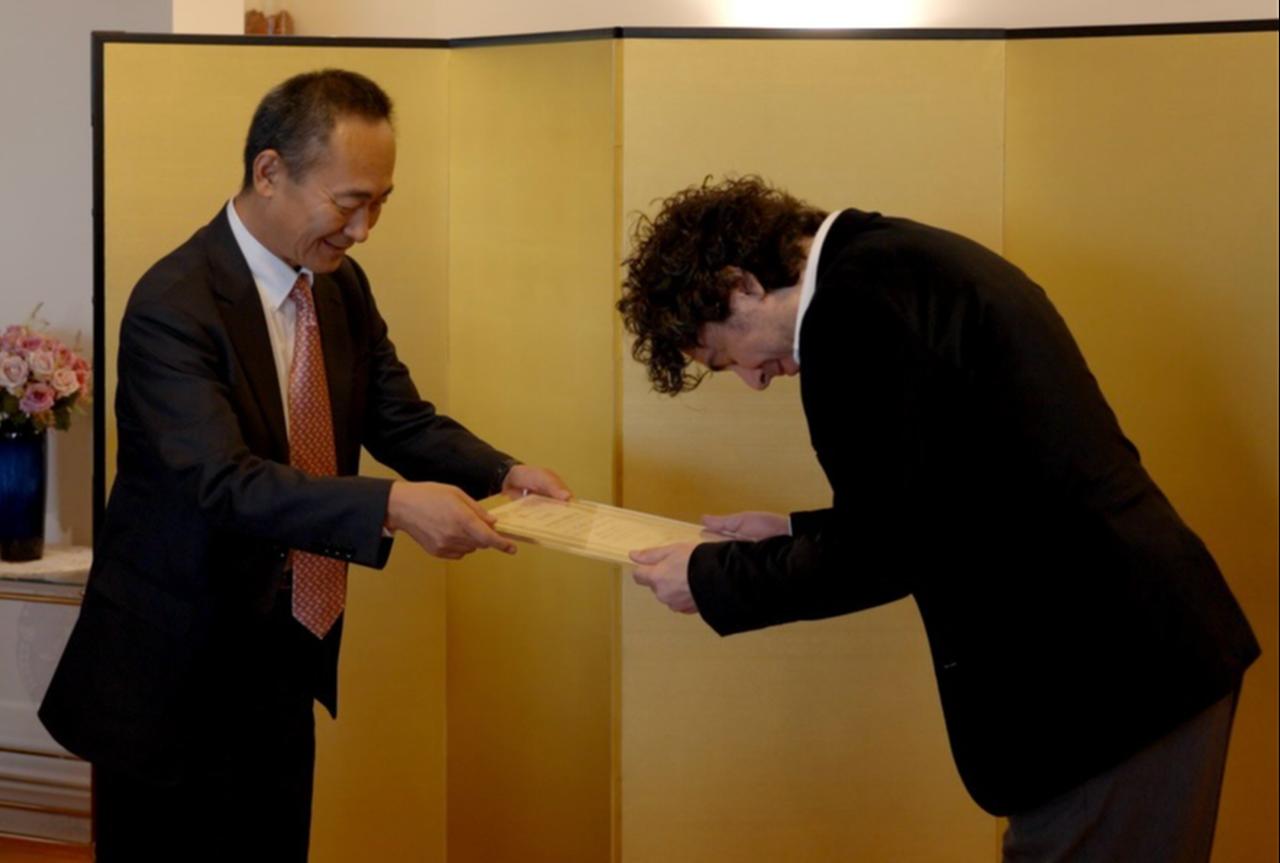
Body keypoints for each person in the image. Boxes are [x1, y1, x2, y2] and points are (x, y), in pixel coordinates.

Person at [619, 176, 1259, 861]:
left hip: (1106, 687)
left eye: (726, 356)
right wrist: (798, 531)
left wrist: (709, 578)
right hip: (1143, 653)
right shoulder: (901, 259)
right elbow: (946, 499)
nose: (755, 379)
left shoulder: (851, 310)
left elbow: (878, 555)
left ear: (739, 284)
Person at [39, 69, 569, 862]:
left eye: (381, 203)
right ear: (269, 171)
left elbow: (397, 415)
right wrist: (393, 506)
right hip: (171, 673)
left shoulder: (338, 286)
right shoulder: (174, 304)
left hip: (285, 649)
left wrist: (501, 471)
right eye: (350, 202)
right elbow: (223, 480)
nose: (364, 229)